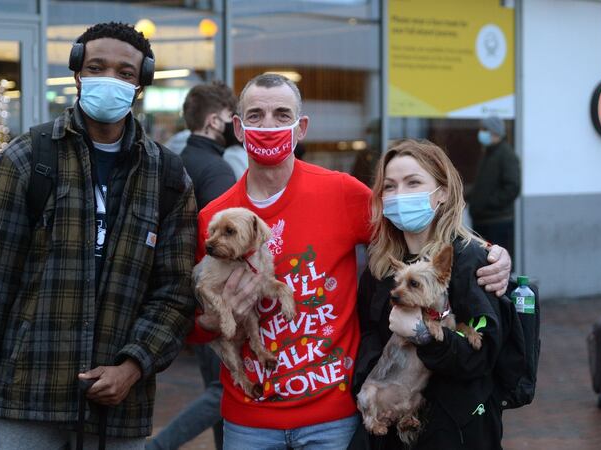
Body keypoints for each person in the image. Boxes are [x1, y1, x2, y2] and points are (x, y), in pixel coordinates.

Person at [188, 73, 511, 450]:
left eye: (282, 114)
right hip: (249, 422)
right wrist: (212, 319)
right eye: (256, 115)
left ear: (301, 127)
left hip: (334, 420)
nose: (269, 125)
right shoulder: (213, 218)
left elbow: (415, 234)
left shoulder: (339, 192)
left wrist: (492, 253)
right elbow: (191, 326)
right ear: (239, 129)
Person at [0, 22, 197, 450]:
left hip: (118, 411)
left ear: (141, 84)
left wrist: (132, 365)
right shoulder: (26, 159)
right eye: (97, 67)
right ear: (77, 73)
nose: (109, 80)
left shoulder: (168, 177)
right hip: (24, 400)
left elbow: (175, 292)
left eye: (125, 72)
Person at [349, 139, 507, 449]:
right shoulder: (380, 267)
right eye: (390, 186)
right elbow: (367, 334)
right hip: (392, 430)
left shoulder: (471, 261)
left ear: (443, 193)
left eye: (413, 182)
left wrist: (424, 336)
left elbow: (483, 355)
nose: (399, 194)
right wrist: (373, 386)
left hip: (455, 431)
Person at [147, 81, 238, 450]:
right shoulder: (217, 172)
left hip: (178, 292)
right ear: (216, 121)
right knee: (223, 390)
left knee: (220, 390)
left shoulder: (173, 162)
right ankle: (158, 446)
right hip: (213, 298)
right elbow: (227, 248)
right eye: (235, 118)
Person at [466, 116, 520, 260]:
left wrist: (487, 204)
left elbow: (512, 188)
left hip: (497, 223)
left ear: (494, 132)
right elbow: (483, 186)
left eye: (484, 129)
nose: (480, 132)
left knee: (495, 263)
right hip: (483, 221)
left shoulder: (506, 155)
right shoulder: (489, 153)